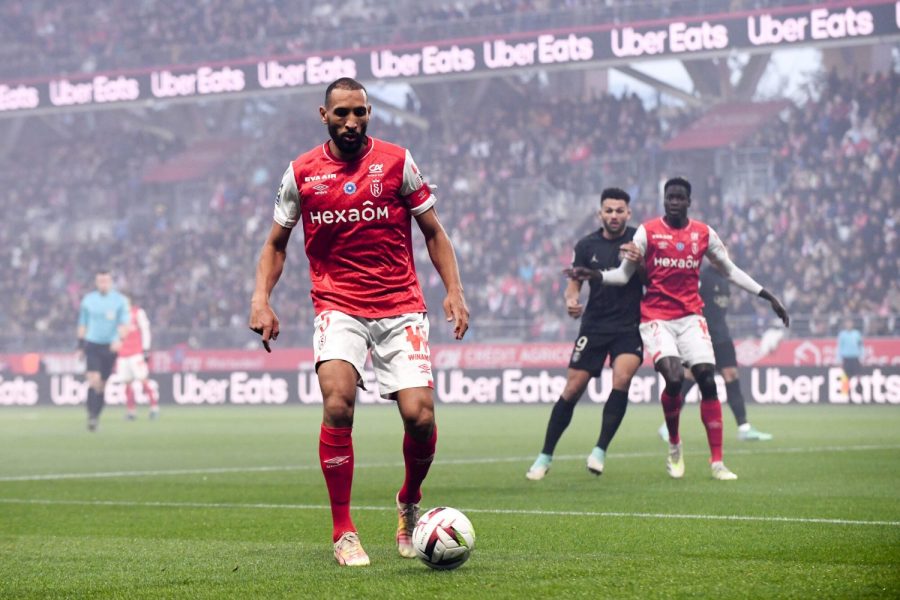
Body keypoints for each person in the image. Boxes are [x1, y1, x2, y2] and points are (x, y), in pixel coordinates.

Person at [248, 78, 469, 567]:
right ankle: (343, 530)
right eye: (342, 113)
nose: (352, 122)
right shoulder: (301, 173)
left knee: (421, 417)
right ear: (322, 114)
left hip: (400, 305)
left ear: (369, 113)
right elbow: (275, 245)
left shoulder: (397, 162)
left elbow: (434, 232)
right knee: (338, 403)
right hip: (337, 305)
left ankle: (409, 499)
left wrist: (453, 289)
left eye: (361, 113)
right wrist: (261, 298)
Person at [566, 177, 789, 481]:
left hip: (691, 318)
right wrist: (595, 275)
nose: (673, 202)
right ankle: (674, 444)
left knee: (708, 380)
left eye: (679, 197)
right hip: (656, 318)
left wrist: (768, 296)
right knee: (672, 376)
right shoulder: (648, 232)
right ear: (664, 200)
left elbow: (731, 271)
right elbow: (622, 276)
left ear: (688, 201)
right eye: (669, 197)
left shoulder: (703, 233)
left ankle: (718, 462)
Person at [526, 188, 644, 481]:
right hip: (594, 325)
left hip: (628, 326)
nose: (614, 215)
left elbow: (650, 278)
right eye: (609, 210)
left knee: (623, 379)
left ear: (628, 213)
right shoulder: (585, 245)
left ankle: (600, 451)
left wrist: (641, 261)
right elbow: (574, 285)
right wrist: (570, 301)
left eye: (619, 211)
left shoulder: (639, 241)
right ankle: (545, 456)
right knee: (572, 389)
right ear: (600, 214)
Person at [656, 265, 773, 442]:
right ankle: (667, 425)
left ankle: (744, 428)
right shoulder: (702, 276)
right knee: (689, 377)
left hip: (722, 337)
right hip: (701, 336)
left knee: (731, 375)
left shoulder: (726, 277)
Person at [76, 269, 130, 432]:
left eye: (106, 281)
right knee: (93, 379)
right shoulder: (88, 300)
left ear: (111, 282)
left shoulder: (120, 301)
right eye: (100, 281)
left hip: (109, 346)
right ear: (96, 282)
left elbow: (124, 324)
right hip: (92, 344)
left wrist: (120, 340)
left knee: (102, 385)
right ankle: (91, 416)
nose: (103, 284)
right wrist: (80, 346)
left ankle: (96, 416)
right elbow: (82, 324)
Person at [117, 293, 159, 420]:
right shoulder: (118, 316)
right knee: (127, 383)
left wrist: (146, 349)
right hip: (122, 354)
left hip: (136, 353)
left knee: (143, 380)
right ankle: (131, 411)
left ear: (129, 300)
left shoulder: (138, 312)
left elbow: (145, 331)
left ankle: (154, 408)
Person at [836, 317, 864, 396]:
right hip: (846, 358)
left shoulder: (857, 334)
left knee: (858, 375)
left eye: (850, 323)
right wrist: (839, 359)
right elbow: (839, 347)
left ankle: (860, 392)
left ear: (853, 324)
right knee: (847, 377)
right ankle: (848, 395)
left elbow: (861, 346)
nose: (849, 325)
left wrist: (862, 357)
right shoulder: (842, 335)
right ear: (845, 324)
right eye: (847, 323)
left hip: (855, 358)